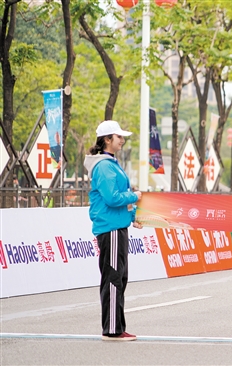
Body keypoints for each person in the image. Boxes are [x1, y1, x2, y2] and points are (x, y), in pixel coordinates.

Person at [83, 120, 143, 342]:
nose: (122, 140)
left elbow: (117, 199)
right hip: (111, 229)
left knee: (119, 276)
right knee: (114, 278)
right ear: (107, 140)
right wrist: (134, 197)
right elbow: (112, 198)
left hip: (117, 226)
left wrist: (132, 217)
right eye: (119, 137)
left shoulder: (110, 163)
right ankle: (112, 329)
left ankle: (115, 326)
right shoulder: (105, 166)